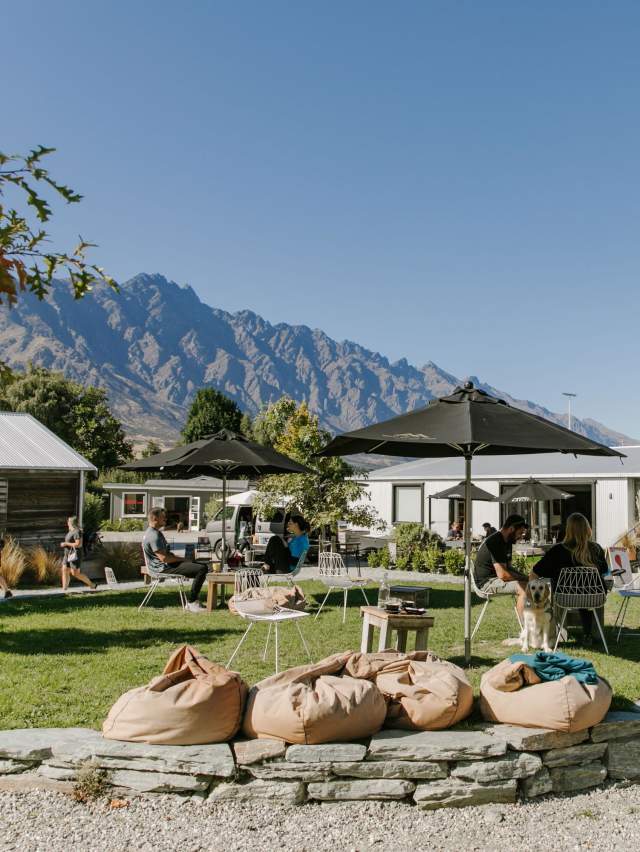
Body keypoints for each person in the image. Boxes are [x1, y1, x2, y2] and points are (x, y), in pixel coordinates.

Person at [530, 512, 607, 643]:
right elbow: (605, 571)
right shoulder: (596, 549)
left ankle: (560, 634)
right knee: (588, 593)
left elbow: (535, 573)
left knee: (560, 590)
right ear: (587, 529)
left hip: (564, 597)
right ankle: (594, 634)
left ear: (568, 530)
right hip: (594, 597)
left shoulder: (557, 551)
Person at [142, 507, 208, 613]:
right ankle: (192, 603)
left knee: (199, 566)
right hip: (162, 568)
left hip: (164, 566)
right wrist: (183, 559)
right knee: (201, 569)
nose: (165, 519)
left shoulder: (152, 532)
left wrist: (185, 560)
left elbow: (166, 555)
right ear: (155, 518)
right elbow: (164, 558)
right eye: (162, 517)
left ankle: (191, 601)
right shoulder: (153, 535)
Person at [474, 514, 529, 617]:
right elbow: (503, 575)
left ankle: (536, 623)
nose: (522, 536)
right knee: (525, 588)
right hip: (486, 583)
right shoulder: (495, 541)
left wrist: (526, 577)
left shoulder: (507, 541)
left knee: (533, 585)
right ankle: (526, 630)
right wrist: (525, 579)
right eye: (520, 532)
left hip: (495, 579)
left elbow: (508, 569)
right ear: (511, 529)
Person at [61, 516, 97, 591]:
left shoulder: (77, 531)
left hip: (75, 555)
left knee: (75, 573)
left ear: (71, 522)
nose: (67, 522)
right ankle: (64, 589)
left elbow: (78, 544)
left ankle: (91, 584)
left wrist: (66, 544)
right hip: (67, 554)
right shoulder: (71, 531)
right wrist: (66, 544)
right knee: (64, 569)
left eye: (68, 521)